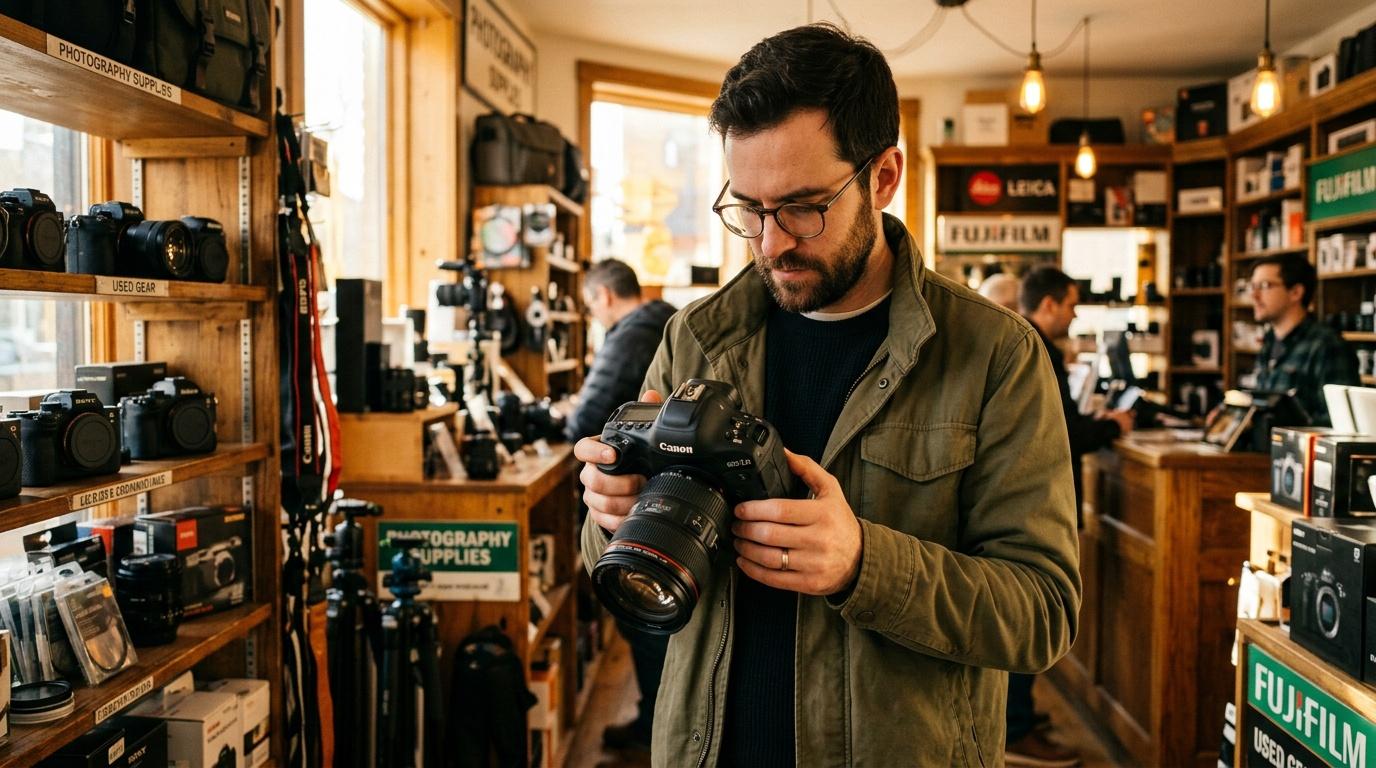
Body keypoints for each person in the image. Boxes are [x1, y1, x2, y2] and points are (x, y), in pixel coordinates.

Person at [575, 23, 1081, 768]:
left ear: (883, 177)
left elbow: (1043, 613)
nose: (770, 243)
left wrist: (863, 564)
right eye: (747, 208)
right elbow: (618, 560)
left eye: (803, 206)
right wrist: (611, 513)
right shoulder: (697, 335)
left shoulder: (994, 355)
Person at [1012, 265, 1140, 767]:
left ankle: (1017, 718)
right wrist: (1111, 428)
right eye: (1069, 304)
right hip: (1032, 504)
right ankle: (1015, 729)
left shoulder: (1025, 343)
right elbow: (1061, 433)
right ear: (1048, 304)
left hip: (1025, 500)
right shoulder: (1036, 346)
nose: (1073, 314)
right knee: (1027, 612)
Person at [564, 258, 676, 761]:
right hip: (668, 501)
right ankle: (659, 721)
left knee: (643, 616)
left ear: (604, 297)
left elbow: (585, 420)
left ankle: (655, 726)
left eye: (591, 306)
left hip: (642, 510)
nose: (594, 315)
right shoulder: (670, 323)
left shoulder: (630, 335)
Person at [1247, 253, 1359, 425]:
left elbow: (1341, 422)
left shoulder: (1326, 345)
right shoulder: (1269, 342)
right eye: (1252, 286)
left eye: (1264, 285)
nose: (1253, 296)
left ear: (1296, 292)